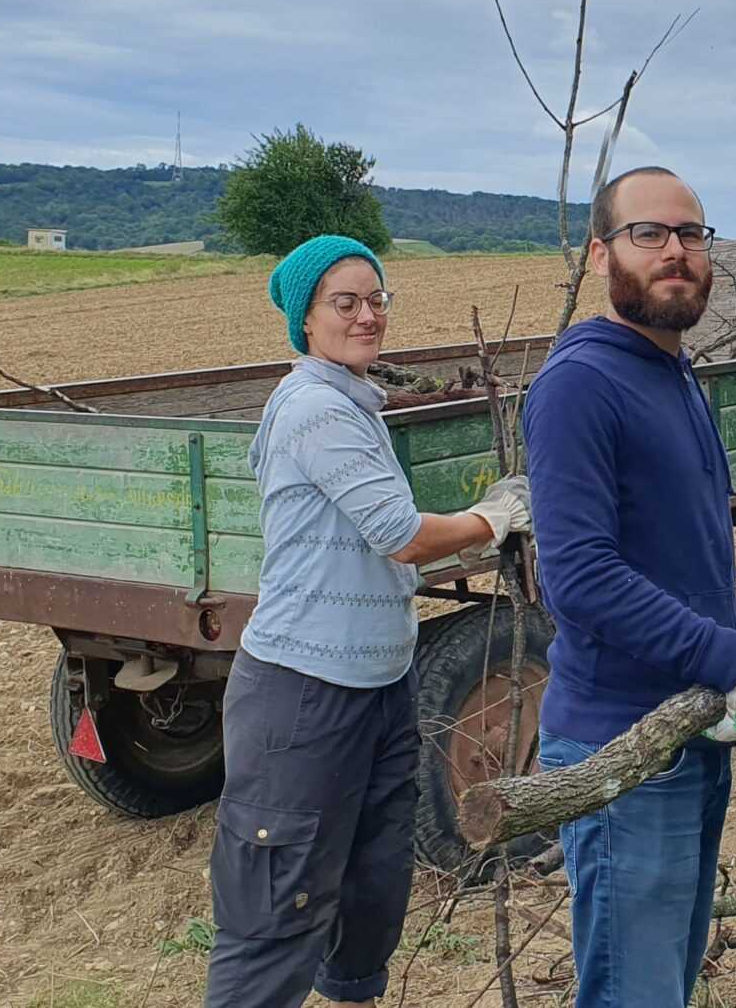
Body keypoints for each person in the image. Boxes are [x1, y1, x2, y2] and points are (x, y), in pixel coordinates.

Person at [525, 166, 736, 1008]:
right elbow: (579, 577)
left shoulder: (676, 374)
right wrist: (728, 653)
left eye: (691, 235)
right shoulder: (580, 384)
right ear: (600, 254)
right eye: (649, 234)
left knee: (667, 982)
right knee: (636, 994)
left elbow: (685, 550)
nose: (676, 252)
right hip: (625, 752)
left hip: (689, 732)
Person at [202, 235, 532, 1008]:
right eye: (344, 302)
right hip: (304, 695)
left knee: (372, 882)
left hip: (377, 683)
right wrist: (494, 517)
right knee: (278, 906)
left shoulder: (353, 399)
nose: (367, 315)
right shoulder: (318, 409)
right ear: (306, 320)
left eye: (377, 299)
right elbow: (403, 535)